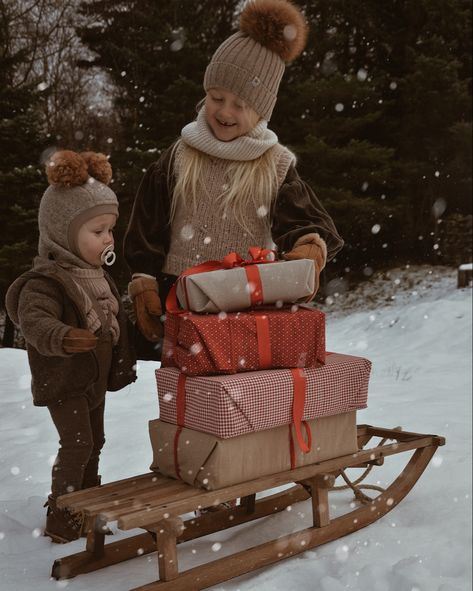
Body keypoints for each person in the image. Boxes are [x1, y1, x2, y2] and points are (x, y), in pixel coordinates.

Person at [124, 0, 344, 359]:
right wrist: (144, 280)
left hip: (246, 300)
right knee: (191, 391)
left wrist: (309, 246)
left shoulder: (275, 164)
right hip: (179, 299)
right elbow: (146, 225)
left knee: (239, 389)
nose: (225, 112)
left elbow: (306, 221)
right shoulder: (180, 155)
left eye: (240, 104)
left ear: (261, 111)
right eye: (216, 98)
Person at [6, 150, 136, 543]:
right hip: (64, 377)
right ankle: (63, 513)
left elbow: (111, 317)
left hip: (92, 378)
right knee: (77, 443)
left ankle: (88, 504)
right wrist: (62, 336)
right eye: (97, 231)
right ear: (64, 232)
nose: (108, 238)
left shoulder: (96, 275)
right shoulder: (46, 281)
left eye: (110, 230)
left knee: (95, 442)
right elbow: (34, 320)